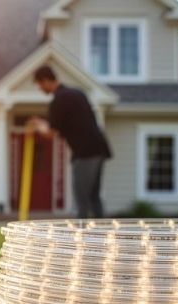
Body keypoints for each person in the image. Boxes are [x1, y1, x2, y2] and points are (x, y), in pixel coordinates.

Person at [29, 65, 113, 219]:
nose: (40, 88)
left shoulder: (58, 100)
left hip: (85, 153)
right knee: (94, 196)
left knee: (82, 199)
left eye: (39, 84)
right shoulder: (77, 93)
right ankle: (101, 236)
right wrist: (43, 123)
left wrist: (38, 126)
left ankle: (81, 237)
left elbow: (50, 133)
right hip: (100, 147)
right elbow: (69, 124)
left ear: (46, 80)